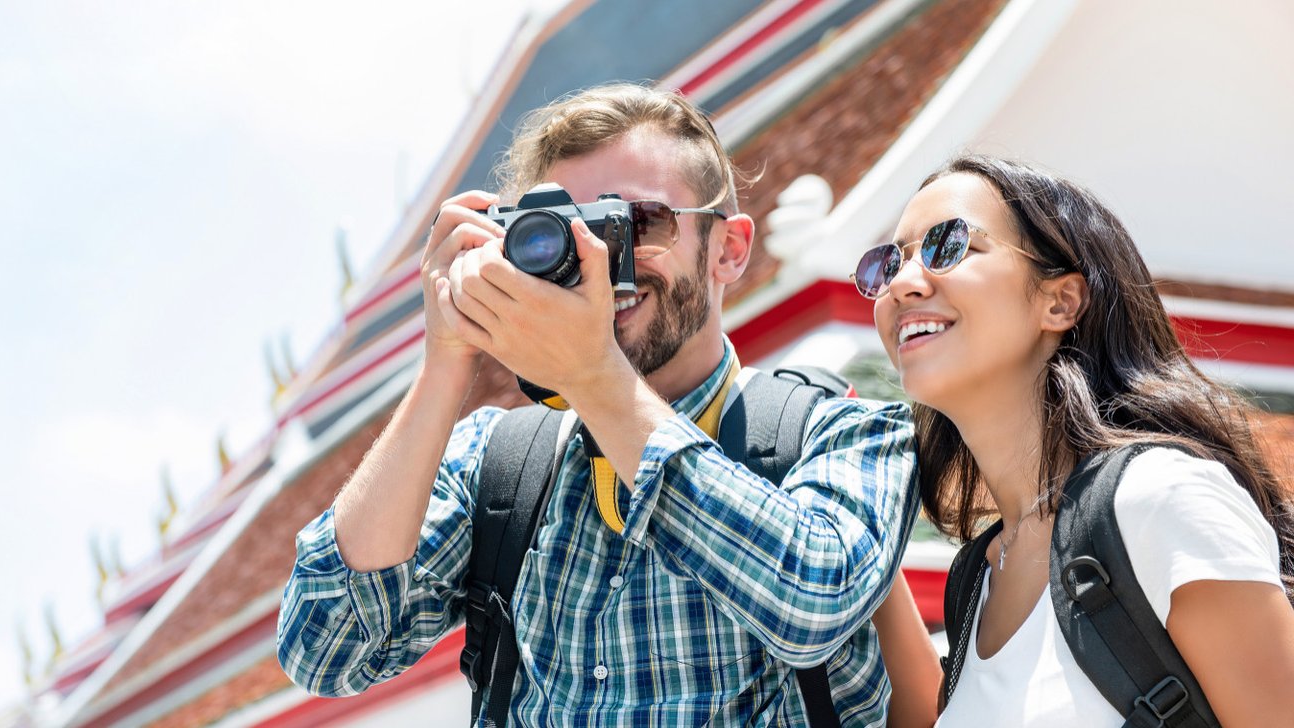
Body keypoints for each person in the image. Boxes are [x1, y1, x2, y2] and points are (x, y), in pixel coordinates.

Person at [276, 82, 921, 726]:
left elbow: (811, 604)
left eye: (637, 224)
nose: (599, 263)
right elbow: (326, 649)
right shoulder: (498, 463)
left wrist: (592, 375)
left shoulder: (847, 432)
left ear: (728, 249)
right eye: (570, 232)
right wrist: (447, 358)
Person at [854, 154, 1294, 725]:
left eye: (950, 244)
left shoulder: (1159, 498)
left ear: (1059, 301)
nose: (903, 285)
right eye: (888, 264)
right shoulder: (978, 577)